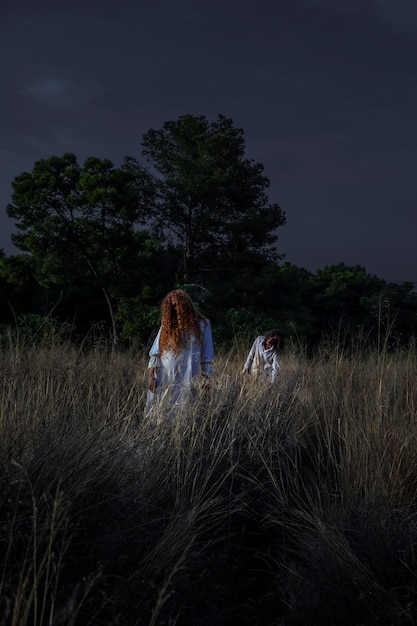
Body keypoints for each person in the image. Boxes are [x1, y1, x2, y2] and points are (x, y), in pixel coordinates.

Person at [145, 289, 214, 415]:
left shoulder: (202, 324)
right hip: (164, 375)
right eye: (172, 306)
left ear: (186, 304)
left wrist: (206, 379)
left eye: (178, 305)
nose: (176, 308)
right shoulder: (167, 324)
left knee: (184, 408)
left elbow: (207, 356)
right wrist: (151, 376)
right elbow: (155, 353)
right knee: (161, 408)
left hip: (187, 375)